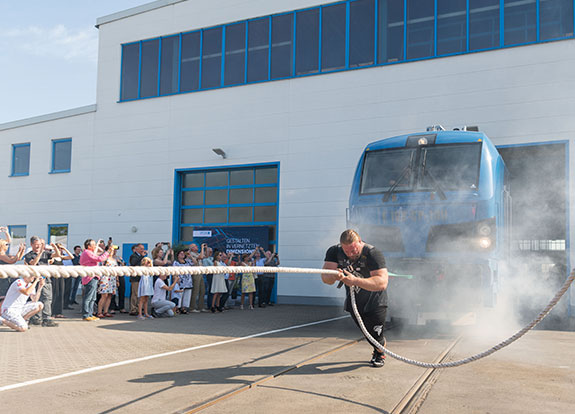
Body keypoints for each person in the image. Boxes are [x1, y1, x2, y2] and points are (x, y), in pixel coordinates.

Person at [322, 229, 389, 368]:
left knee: (376, 335)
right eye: (347, 251)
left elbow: (382, 283)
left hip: (375, 300)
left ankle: (379, 352)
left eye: (353, 250)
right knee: (365, 332)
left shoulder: (372, 253)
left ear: (360, 242)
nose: (351, 254)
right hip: (355, 300)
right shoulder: (334, 252)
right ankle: (377, 347)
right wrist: (334, 276)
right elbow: (325, 278)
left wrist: (355, 281)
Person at [24, 236, 58, 327]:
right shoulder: (28, 255)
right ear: (31, 245)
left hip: (46, 279)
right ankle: (36, 318)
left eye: (40, 244)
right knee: (36, 298)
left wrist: (55, 247)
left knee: (47, 298)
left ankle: (47, 318)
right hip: (35, 280)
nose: (38, 246)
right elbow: (33, 263)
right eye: (36, 245)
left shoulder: (46, 253)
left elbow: (57, 255)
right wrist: (40, 253)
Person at [80, 239, 114, 321]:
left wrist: (105, 251)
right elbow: (100, 259)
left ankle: (90, 314)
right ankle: (86, 315)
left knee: (93, 298)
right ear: (89, 246)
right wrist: (107, 252)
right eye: (94, 244)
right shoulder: (87, 252)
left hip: (94, 276)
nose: (95, 246)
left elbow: (100, 256)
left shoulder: (90, 253)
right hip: (89, 277)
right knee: (88, 297)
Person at [0, 229, 26, 308]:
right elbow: (12, 261)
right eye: (6, 245)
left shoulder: (5, 254)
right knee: (3, 297)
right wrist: (19, 251)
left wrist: (22, 251)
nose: (8, 246)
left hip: (8, 277)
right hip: (3, 279)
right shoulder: (1, 254)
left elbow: (17, 259)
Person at [129, 243, 147, 315]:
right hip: (135, 278)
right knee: (135, 294)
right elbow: (133, 263)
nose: (142, 250)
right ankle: (133, 309)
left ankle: (138, 308)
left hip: (141, 277)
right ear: (137, 249)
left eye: (143, 249)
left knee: (140, 294)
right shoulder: (133, 256)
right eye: (141, 249)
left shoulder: (141, 257)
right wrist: (141, 257)